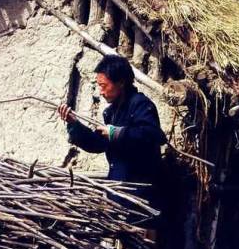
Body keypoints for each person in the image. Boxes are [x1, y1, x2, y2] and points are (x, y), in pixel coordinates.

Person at [58, 54, 166, 216]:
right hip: (119, 194)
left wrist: (116, 132)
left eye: (104, 86)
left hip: (141, 196)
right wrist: (74, 124)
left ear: (121, 82)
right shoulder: (111, 112)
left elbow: (153, 135)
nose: (101, 92)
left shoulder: (140, 104)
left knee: (142, 240)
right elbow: (98, 144)